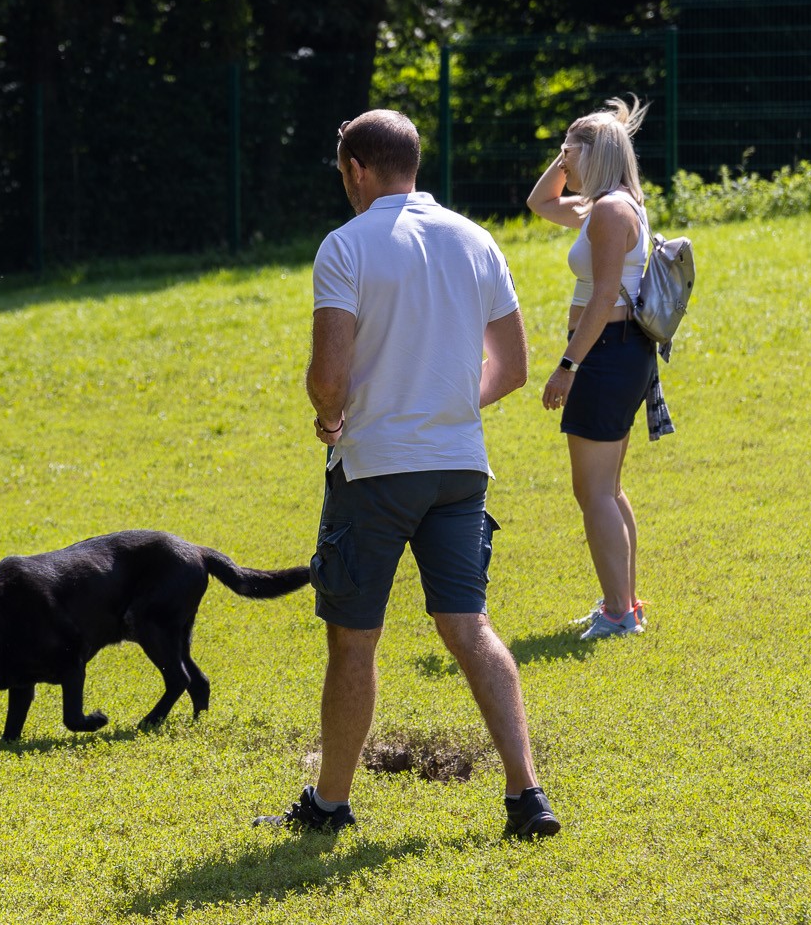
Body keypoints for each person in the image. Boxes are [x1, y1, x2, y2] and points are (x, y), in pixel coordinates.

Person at [255, 109, 559, 840]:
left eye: (341, 172)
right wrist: (446, 404)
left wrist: (332, 419)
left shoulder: (345, 246)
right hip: (460, 466)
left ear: (356, 168)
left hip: (375, 471)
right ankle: (527, 795)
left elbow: (329, 377)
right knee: (469, 626)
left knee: (353, 638)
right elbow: (513, 367)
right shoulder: (474, 237)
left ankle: (329, 805)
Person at [525, 95, 657, 639]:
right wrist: (565, 158)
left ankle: (618, 614)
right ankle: (624, 602)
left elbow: (604, 298)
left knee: (594, 491)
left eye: (568, 151)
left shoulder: (607, 211)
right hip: (619, 352)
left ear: (594, 153)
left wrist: (566, 366)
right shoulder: (611, 203)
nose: (563, 162)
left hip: (605, 352)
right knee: (609, 486)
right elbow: (540, 204)